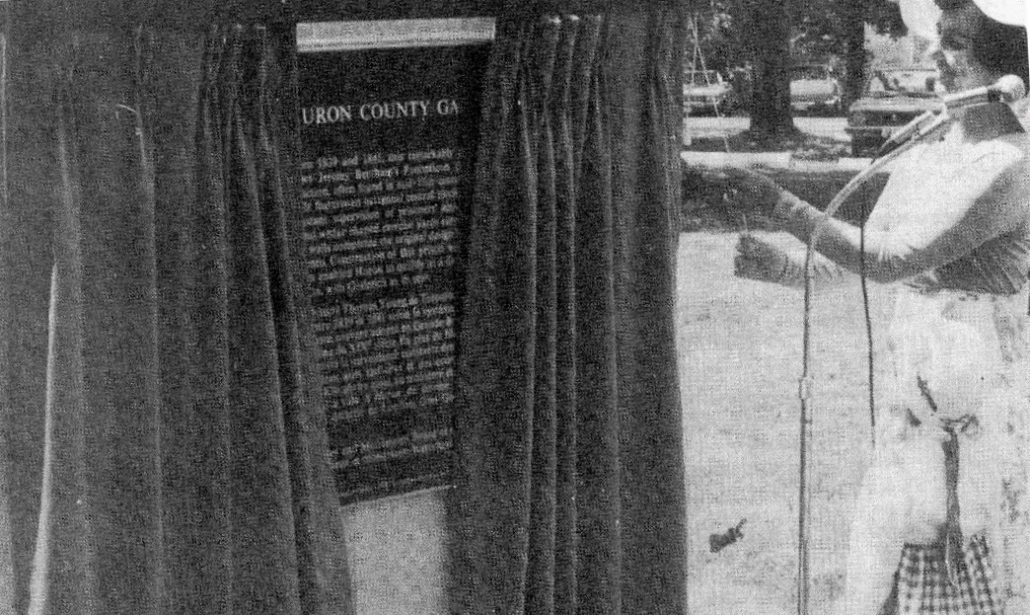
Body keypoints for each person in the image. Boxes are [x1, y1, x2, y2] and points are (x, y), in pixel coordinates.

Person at [715, 0, 1030, 613]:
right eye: (940, 37)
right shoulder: (933, 146)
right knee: (890, 576)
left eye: (958, 43)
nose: (936, 54)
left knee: (969, 573)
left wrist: (783, 206)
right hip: (916, 416)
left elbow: (893, 259)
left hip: (980, 421)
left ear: (1007, 65)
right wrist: (785, 268)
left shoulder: (1011, 164)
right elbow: (865, 254)